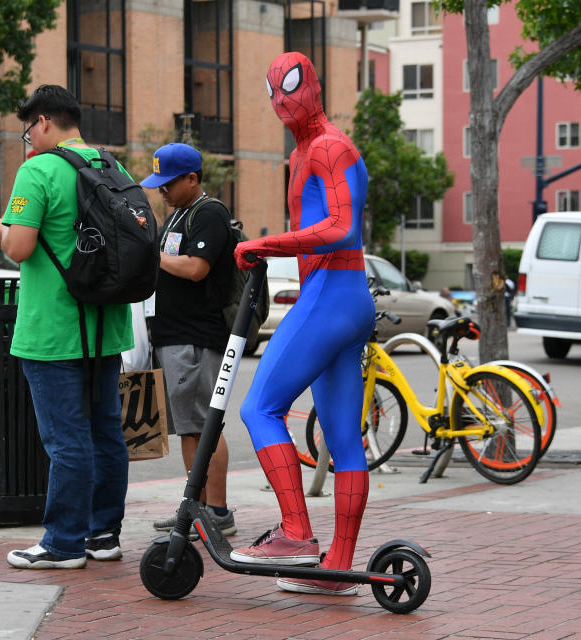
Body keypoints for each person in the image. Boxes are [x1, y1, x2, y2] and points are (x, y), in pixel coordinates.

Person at [230, 52, 375, 597]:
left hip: (332, 292)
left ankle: (295, 533)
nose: (281, 99)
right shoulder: (306, 152)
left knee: (258, 407)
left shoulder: (330, 148)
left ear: (314, 86)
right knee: (343, 439)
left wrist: (264, 244)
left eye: (291, 85)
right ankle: (336, 566)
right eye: (272, 90)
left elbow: (340, 227)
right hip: (341, 296)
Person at [0, 84, 133, 570]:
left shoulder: (38, 170)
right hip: (106, 326)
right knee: (106, 433)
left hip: (52, 331)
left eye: (28, 132)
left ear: (43, 121)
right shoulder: (113, 165)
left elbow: (20, 247)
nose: (27, 142)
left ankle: (63, 543)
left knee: (66, 439)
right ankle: (102, 534)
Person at [142, 143, 238, 539]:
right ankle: (195, 509)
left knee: (202, 425)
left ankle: (215, 512)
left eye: (168, 183)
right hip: (175, 336)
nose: (161, 191)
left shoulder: (209, 213)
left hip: (196, 338)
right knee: (190, 427)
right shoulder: (179, 215)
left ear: (192, 178)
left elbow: (197, 268)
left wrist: (150, 256)